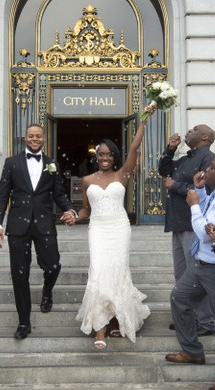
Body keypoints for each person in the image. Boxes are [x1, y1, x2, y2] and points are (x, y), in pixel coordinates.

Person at [74, 105, 155, 349]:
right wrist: (73, 217)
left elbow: (134, 148)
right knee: (98, 273)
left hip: (119, 228)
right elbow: (85, 210)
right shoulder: (87, 180)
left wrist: (144, 120)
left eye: (109, 154)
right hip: (98, 229)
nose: (105, 158)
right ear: (96, 157)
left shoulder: (123, 175)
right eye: (101, 155)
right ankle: (100, 330)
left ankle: (119, 319)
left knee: (118, 273)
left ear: (114, 156)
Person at [165, 154, 215, 390]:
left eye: (211, 168)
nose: (205, 170)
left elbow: (204, 231)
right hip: (201, 264)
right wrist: (200, 192)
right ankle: (192, 350)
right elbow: (207, 210)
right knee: (179, 297)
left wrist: (193, 204)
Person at [0, 123, 78, 339]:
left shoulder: (52, 164)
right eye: (31, 136)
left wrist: (70, 210)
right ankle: (24, 322)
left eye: (38, 136)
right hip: (18, 225)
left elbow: (58, 193)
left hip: (44, 223)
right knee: (19, 274)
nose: (34, 139)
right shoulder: (12, 163)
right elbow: (3, 195)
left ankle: (47, 291)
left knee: (54, 265)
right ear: (25, 138)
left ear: (43, 139)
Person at [158, 124, 215, 336]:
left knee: (196, 275)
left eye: (193, 130)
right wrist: (170, 149)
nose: (187, 132)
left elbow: (205, 189)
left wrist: (175, 186)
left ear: (205, 137)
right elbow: (164, 170)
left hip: (194, 223)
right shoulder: (185, 158)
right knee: (182, 275)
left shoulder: (209, 159)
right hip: (178, 222)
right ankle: (187, 318)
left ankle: (206, 322)